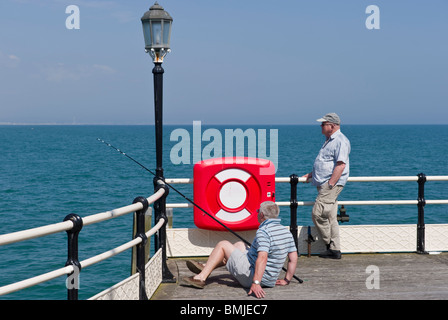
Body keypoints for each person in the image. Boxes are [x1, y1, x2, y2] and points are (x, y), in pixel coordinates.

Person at [182, 201, 298, 299]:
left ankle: (201, 278)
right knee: (239, 244)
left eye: (258, 212)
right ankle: (206, 266)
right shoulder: (286, 232)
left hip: (252, 277)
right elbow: (293, 258)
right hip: (270, 280)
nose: (257, 213)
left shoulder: (264, 232)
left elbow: (262, 258)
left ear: (262, 215)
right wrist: (287, 280)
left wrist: (256, 283)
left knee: (223, 245)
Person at [302, 113, 351, 259]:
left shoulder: (340, 141)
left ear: (332, 125)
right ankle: (334, 249)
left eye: (323, 124)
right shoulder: (329, 140)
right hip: (325, 183)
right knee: (330, 217)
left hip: (330, 185)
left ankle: (329, 242)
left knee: (317, 214)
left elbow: (340, 165)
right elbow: (326, 162)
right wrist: (311, 174)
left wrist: (330, 184)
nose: (321, 126)